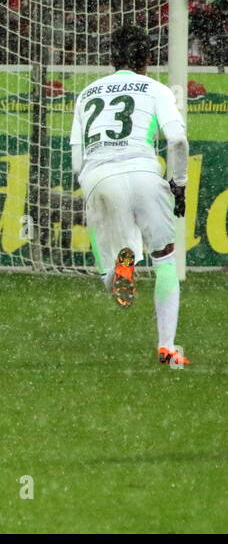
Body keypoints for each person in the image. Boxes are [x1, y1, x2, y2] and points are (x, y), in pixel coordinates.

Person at [69, 25, 190, 366]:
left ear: (111, 58)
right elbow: (177, 141)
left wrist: (91, 186)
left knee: (110, 268)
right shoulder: (156, 89)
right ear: (148, 58)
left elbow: (78, 155)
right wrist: (178, 182)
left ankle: (121, 269)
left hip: (99, 176)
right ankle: (167, 347)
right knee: (165, 258)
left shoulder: (87, 93)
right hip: (144, 173)